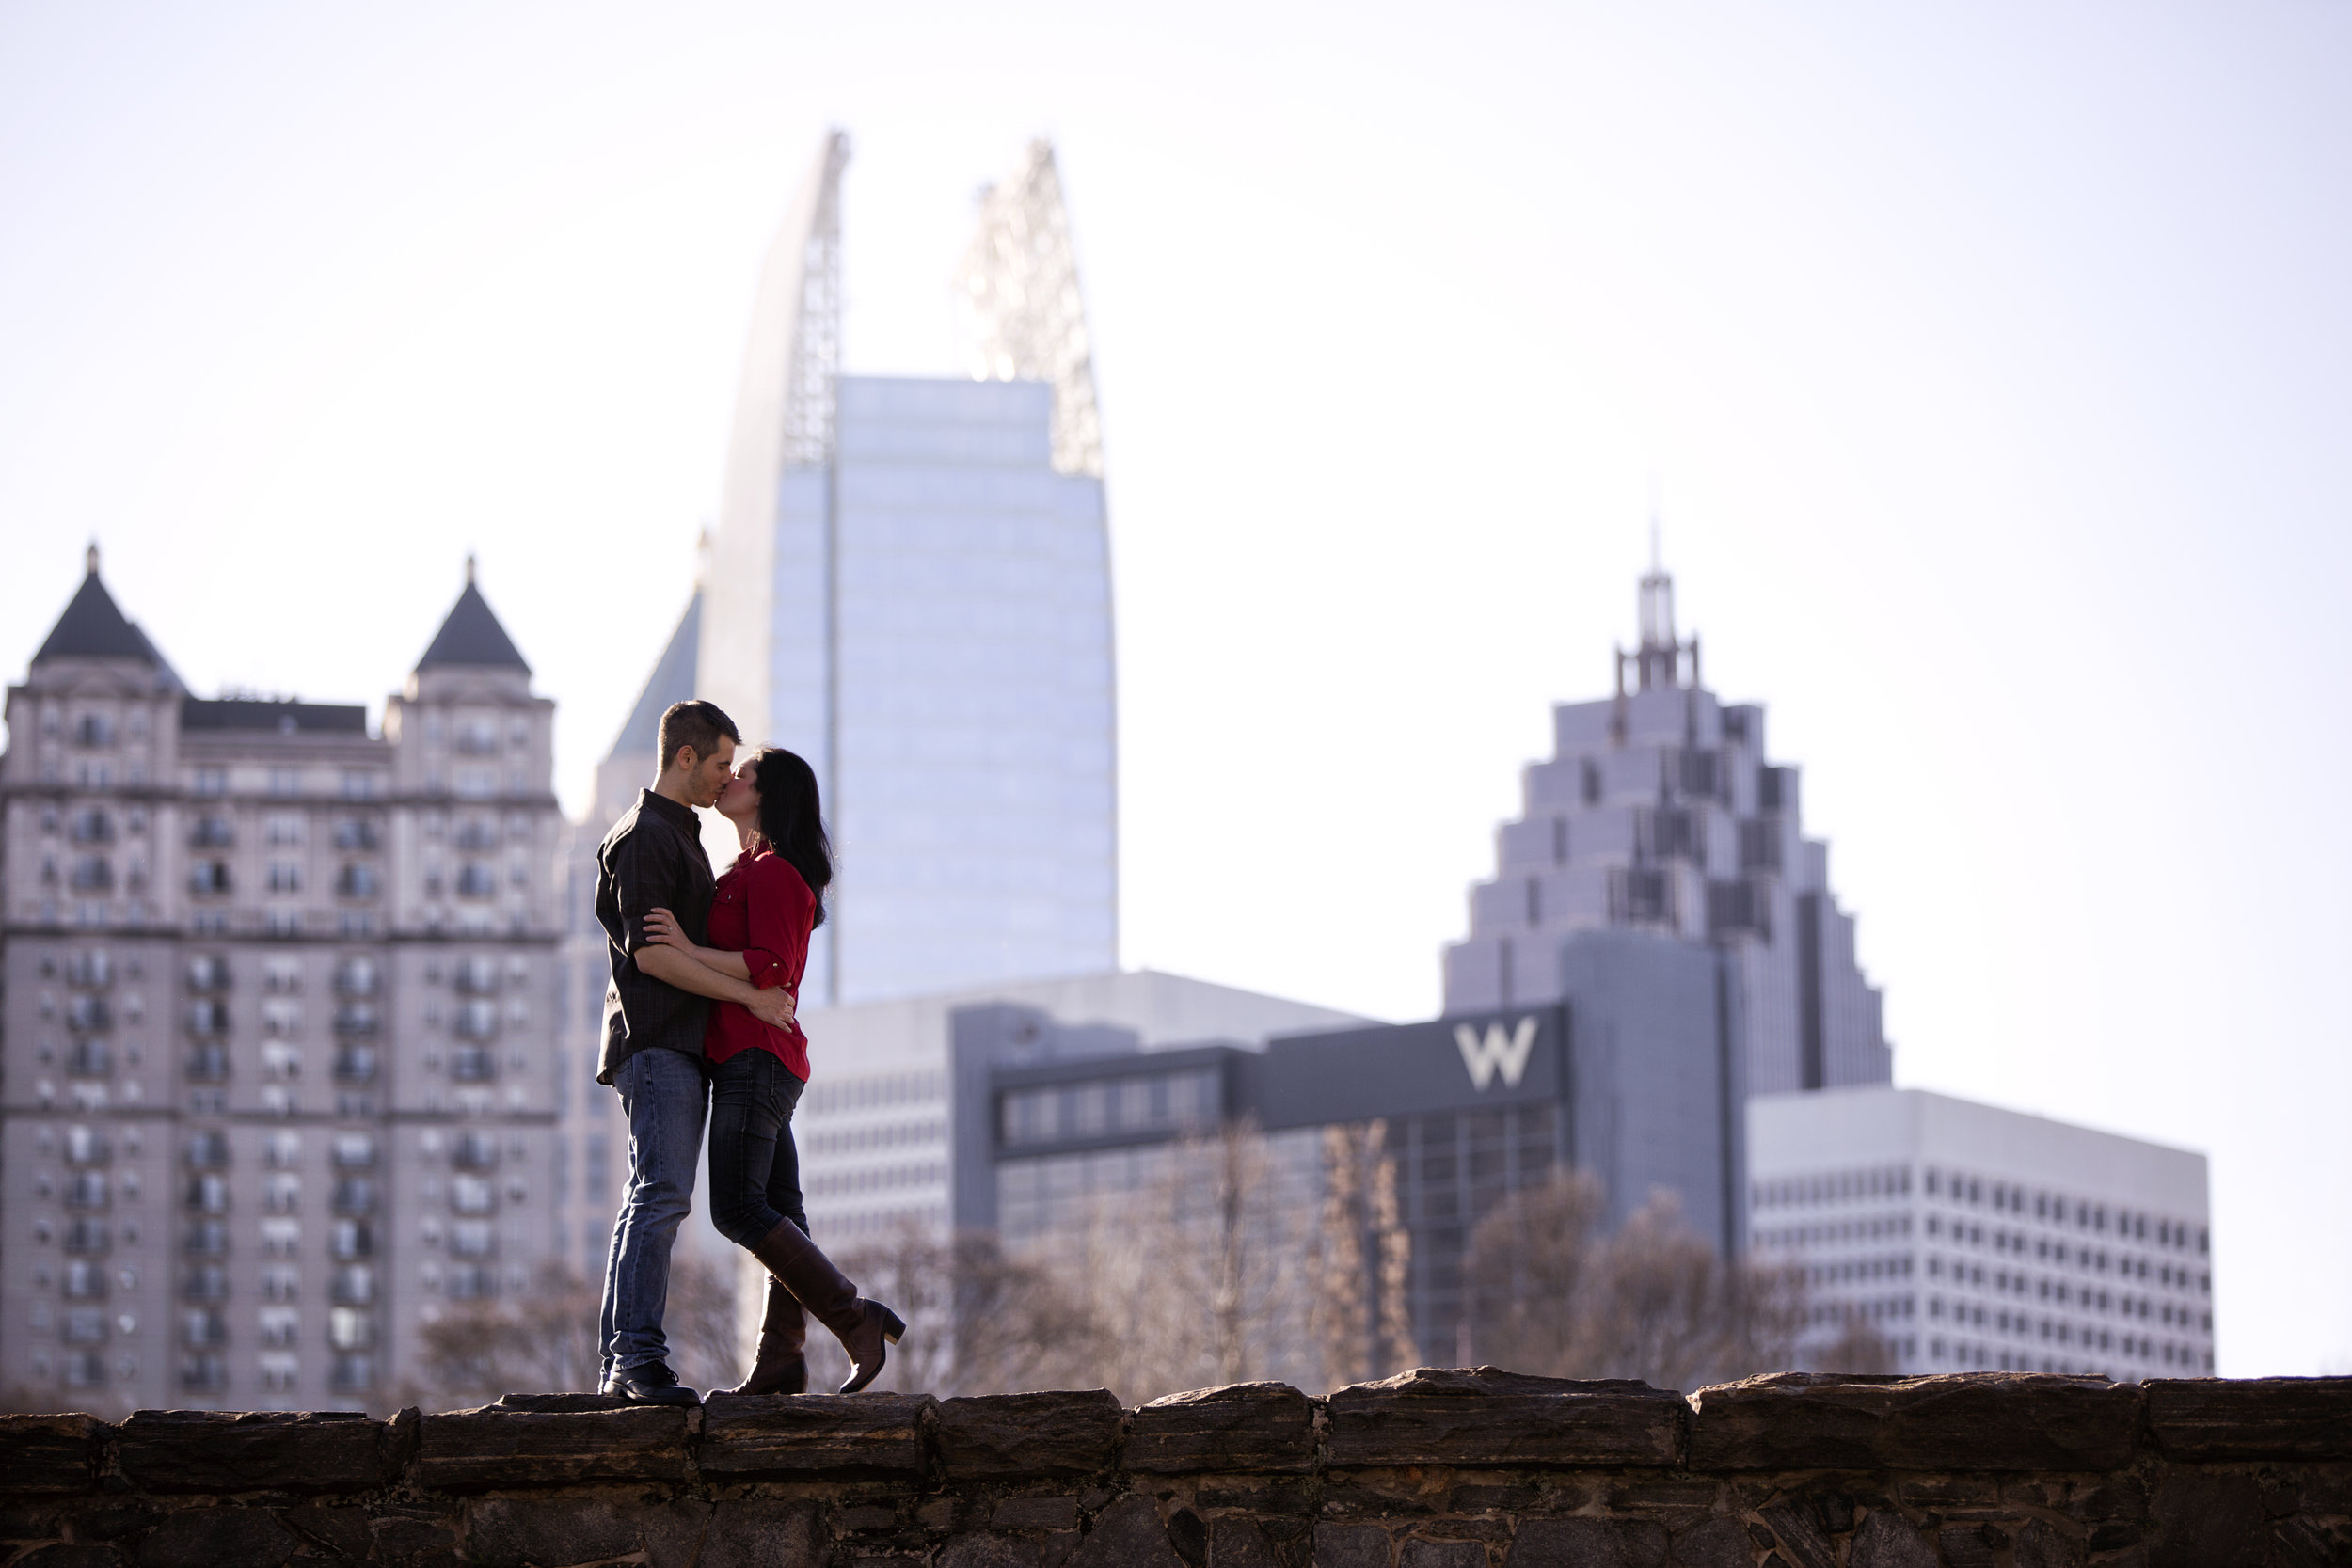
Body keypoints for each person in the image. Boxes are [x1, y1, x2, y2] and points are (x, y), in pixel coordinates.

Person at [644, 745, 905, 1395]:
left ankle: (855, 1318)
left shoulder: (776, 872)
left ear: (768, 795)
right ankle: (783, 1358)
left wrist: (685, 947)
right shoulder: (743, 870)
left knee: (737, 1207)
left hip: (756, 1055)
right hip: (750, 1054)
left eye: (745, 773)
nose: (731, 778)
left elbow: (773, 965)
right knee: (781, 1208)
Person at [594, 699, 797, 1406]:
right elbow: (654, 957)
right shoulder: (648, 835)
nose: (723, 778)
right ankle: (637, 1361)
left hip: (675, 1047)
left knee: (650, 1196)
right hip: (658, 1046)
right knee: (661, 1194)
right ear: (685, 757)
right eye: (717, 763)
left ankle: (623, 1362)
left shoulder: (678, 834)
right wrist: (749, 998)